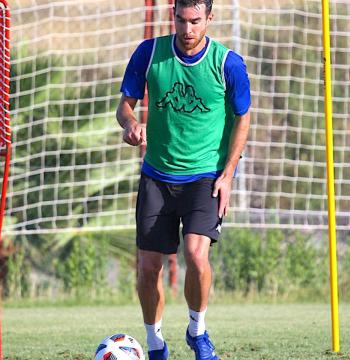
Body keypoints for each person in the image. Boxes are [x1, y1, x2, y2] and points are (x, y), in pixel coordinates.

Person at [116, 1, 250, 359]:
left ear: (209, 18)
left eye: (195, 21)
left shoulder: (227, 64)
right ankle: (156, 343)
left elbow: (243, 118)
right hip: (156, 175)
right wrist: (131, 125)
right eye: (181, 20)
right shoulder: (150, 53)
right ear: (172, 16)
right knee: (148, 267)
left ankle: (198, 331)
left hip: (204, 177)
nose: (187, 29)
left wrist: (228, 174)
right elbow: (124, 106)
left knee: (195, 253)